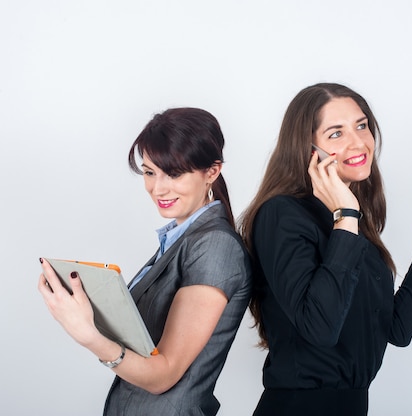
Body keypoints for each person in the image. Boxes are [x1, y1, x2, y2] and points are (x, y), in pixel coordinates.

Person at [238, 83, 412, 416]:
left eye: (361, 125)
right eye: (335, 134)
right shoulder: (283, 214)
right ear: (309, 148)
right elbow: (320, 328)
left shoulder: (350, 222)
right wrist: (346, 216)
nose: (358, 142)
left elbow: (396, 331)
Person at [38, 107, 252, 416]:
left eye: (174, 173)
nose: (158, 188)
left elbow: (163, 375)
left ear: (212, 172)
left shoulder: (215, 245)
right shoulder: (181, 240)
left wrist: (89, 335)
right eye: (150, 172)